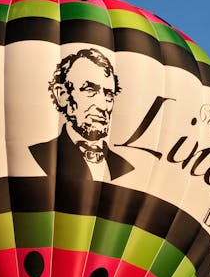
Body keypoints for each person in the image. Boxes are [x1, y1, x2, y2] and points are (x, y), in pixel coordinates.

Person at [29, 48, 134, 182]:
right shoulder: (39, 154)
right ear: (63, 95)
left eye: (108, 95)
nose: (103, 106)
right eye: (90, 90)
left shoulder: (123, 167)